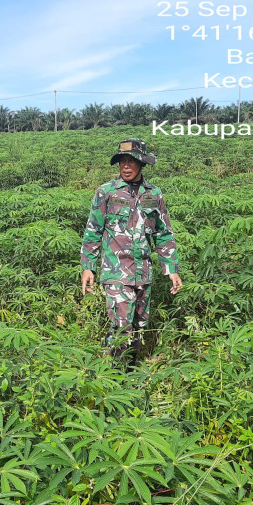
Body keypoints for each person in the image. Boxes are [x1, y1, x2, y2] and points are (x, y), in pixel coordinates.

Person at [80, 138, 182, 362]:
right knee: (121, 326)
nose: (125, 166)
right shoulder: (106, 192)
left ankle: (131, 371)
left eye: (131, 161)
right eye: (122, 161)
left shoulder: (153, 194)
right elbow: (93, 231)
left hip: (143, 273)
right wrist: (88, 267)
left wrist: (171, 268)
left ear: (142, 164)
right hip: (116, 272)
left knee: (139, 326)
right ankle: (114, 374)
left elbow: (163, 233)